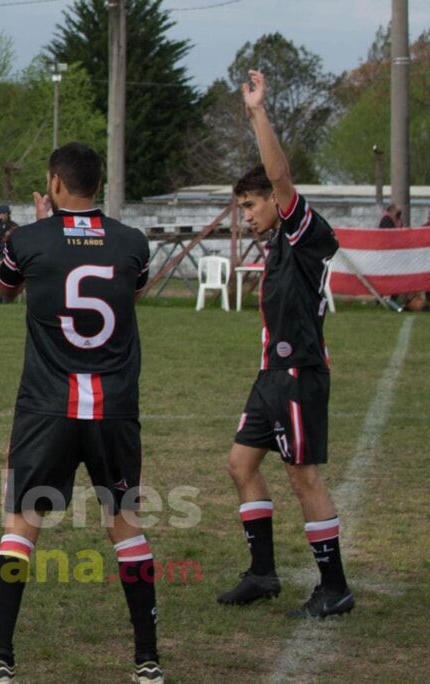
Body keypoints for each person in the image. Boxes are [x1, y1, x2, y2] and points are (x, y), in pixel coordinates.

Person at [0, 142, 160, 684]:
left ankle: (0, 659)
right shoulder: (133, 242)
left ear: (55, 185)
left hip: (46, 408)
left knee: (20, 527)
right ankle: (147, 660)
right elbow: (130, 292)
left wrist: (45, 233)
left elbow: (5, 290)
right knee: (125, 524)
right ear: (98, 185)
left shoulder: (25, 240)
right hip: (114, 410)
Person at [217, 71, 352, 620]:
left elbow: (281, 174)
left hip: (297, 377)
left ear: (277, 200)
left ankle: (335, 585)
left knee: (303, 475)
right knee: (240, 464)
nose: (247, 216)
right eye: (242, 207)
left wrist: (257, 114)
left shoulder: (303, 232)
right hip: (271, 376)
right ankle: (263, 573)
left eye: (252, 204)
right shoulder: (277, 246)